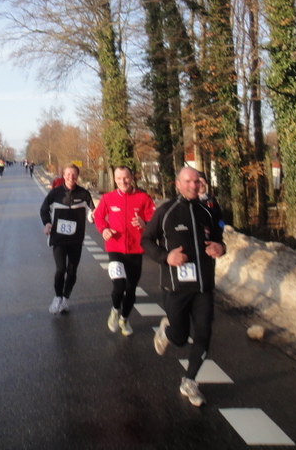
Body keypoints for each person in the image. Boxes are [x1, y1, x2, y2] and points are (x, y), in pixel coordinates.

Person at [141, 166, 226, 407]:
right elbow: (146, 240)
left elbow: (219, 238)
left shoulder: (208, 210)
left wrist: (221, 248)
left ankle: (190, 380)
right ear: (177, 184)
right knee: (179, 337)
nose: (193, 185)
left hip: (203, 286)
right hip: (176, 287)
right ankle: (167, 330)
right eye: (187, 181)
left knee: (204, 331)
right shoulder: (166, 211)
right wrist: (165, 257)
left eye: (196, 181)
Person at [94, 166, 155, 336]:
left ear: (132, 177)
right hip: (115, 248)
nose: (123, 182)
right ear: (115, 180)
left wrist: (145, 224)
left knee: (131, 288)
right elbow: (98, 216)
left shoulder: (143, 198)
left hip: (136, 249)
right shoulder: (108, 198)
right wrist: (104, 229)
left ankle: (125, 318)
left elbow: (154, 219)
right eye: (119, 178)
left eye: (126, 178)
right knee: (119, 285)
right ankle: (115, 310)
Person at [39, 163, 95, 314]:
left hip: (76, 239)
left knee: (72, 271)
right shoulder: (56, 193)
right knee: (60, 269)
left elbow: (92, 211)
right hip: (59, 237)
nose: (71, 177)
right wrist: (47, 224)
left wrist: (93, 217)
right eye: (68, 174)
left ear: (78, 176)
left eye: (74, 174)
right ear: (63, 176)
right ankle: (57, 297)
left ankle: (65, 299)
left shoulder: (84, 194)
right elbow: (44, 209)